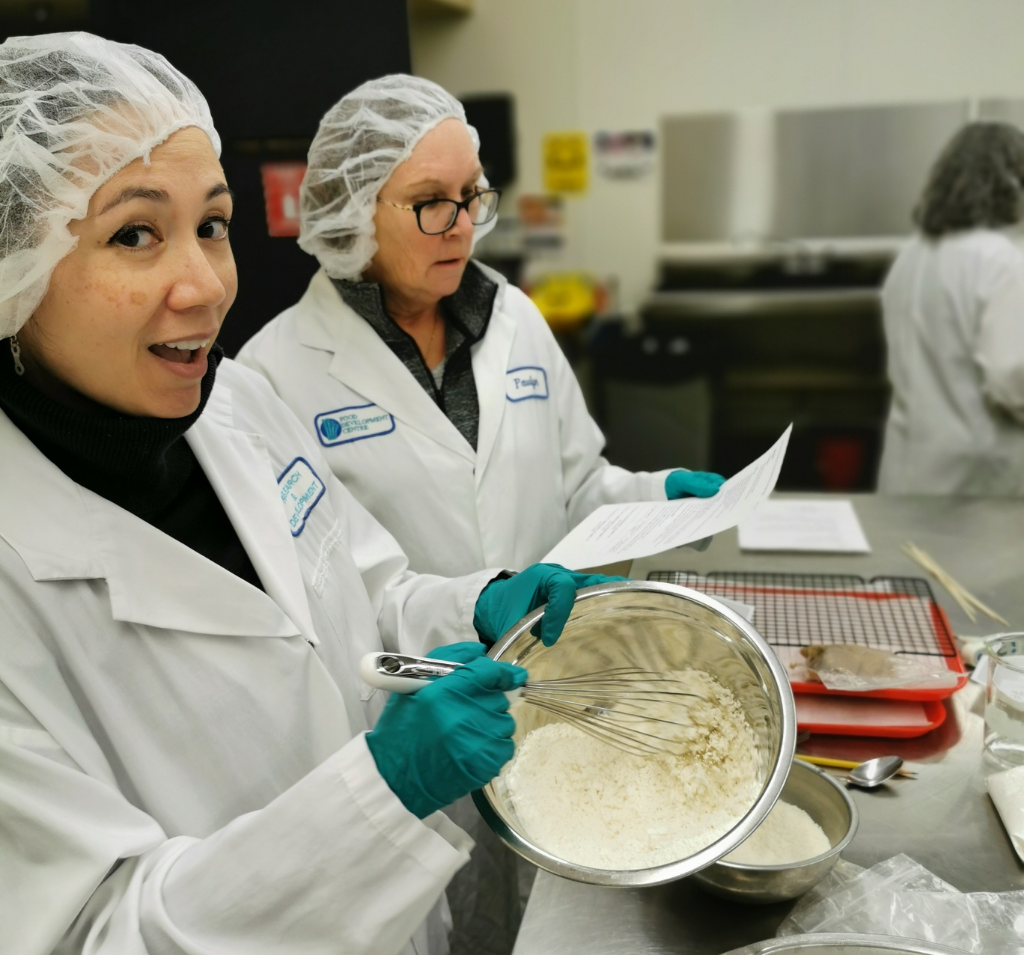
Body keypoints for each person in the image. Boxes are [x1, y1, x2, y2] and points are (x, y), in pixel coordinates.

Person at [0, 33, 612, 955]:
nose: (206, 286)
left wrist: (476, 603)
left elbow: (366, 595)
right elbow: (98, 935)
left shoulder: (235, 403)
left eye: (212, 224)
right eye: (135, 233)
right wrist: (381, 790)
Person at [236, 74, 725, 581]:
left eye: (469, 193)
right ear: (353, 213)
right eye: (430, 202)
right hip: (413, 661)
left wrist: (652, 498)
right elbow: (314, 584)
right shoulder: (272, 376)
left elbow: (575, 489)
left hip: (548, 650)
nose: (464, 225)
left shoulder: (515, 317)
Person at [877, 121, 1024, 495]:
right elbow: (1009, 377)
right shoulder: (1002, 260)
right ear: (1011, 182)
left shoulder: (909, 258)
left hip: (907, 472)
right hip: (975, 486)